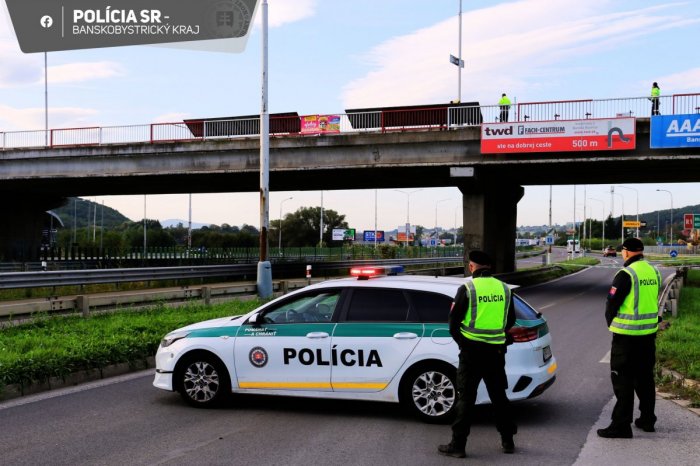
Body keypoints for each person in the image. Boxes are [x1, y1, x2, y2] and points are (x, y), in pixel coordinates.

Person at [438, 250, 517, 458]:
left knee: (466, 398)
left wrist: (464, 344)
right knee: (499, 397)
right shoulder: (504, 289)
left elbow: (453, 324)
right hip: (496, 352)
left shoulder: (468, 288)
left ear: (472, 267)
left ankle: (458, 446)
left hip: (471, 353)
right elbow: (510, 321)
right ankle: (508, 441)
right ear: (489, 268)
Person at [597, 237, 662, 439]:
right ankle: (647, 420)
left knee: (622, 380)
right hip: (648, 334)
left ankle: (621, 425)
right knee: (644, 378)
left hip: (626, 337)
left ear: (626, 252)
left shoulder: (626, 273)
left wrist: (612, 324)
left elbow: (612, 303)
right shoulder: (654, 271)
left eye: (622, 251)